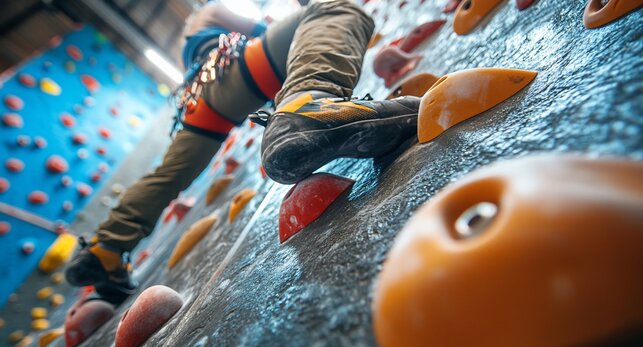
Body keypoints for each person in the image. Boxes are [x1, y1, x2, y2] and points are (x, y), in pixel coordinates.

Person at [65, 0, 420, 302]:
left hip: (203, 101)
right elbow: (279, 32)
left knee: (168, 175)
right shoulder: (208, 13)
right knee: (336, 8)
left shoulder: (190, 43)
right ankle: (312, 99)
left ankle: (105, 250)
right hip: (236, 70)